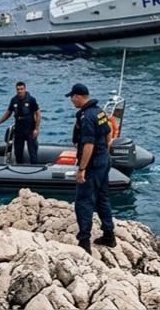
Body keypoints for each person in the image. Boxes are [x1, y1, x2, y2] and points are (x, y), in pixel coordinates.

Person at [67, 83, 116, 253]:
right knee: (102, 198)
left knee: (83, 202)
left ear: (78, 96)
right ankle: (109, 235)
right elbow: (108, 131)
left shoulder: (87, 116)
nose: (71, 100)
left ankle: (84, 243)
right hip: (103, 161)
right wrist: (105, 150)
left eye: (72, 97)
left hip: (93, 164)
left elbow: (88, 144)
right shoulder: (100, 112)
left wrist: (82, 169)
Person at [0, 82, 41, 164]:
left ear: (25, 89)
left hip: (29, 129)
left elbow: (38, 114)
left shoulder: (31, 100)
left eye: (21, 89)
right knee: (18, 153)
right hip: (19, 129)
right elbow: (8, 113)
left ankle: (35, 169)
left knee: (32, 153)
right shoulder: (14, 100)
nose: (19, 91)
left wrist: (36, 129)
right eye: (18, 89)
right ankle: (19, 169)